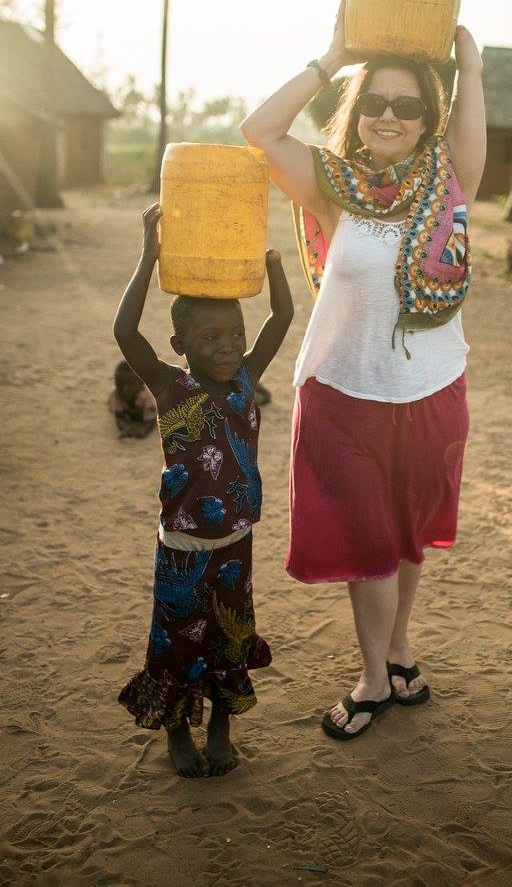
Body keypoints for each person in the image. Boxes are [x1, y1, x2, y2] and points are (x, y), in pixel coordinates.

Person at [241, 0, 486, 739]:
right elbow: (258, 131)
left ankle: (398, 649)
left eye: (407, 108)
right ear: (356, 106)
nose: (388, 116)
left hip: (432, 389)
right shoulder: (328, 186)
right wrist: (333, 57)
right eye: (374, 101)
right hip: (343, 391)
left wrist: (467, 61)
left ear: (428, 120)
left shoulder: (451, 188)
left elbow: (468, 98)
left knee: (407, 536)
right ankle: (376, 677)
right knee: (368, 541)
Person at [113, 203, 293, 776]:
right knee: (177, 645)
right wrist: (149, 256)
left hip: (236, 543)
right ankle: (176, 732)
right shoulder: (169, 388)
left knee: (228, 638)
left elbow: (282, 317)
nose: (228, 346)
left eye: (234, 334)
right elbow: (124, 331)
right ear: (180, 343)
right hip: (184, 550)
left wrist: (272, 266)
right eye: (210, 336)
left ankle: (220, 723)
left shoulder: (246, 379)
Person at [107, 360, 158, 438]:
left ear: (141, 384)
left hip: (150, 413)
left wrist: (144, 430)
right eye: (119, 383)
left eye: (129, 384)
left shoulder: (148, 397)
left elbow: (152, 420)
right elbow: (119, 416)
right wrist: (125, 428)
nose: (124, 389)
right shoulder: (115, 393)